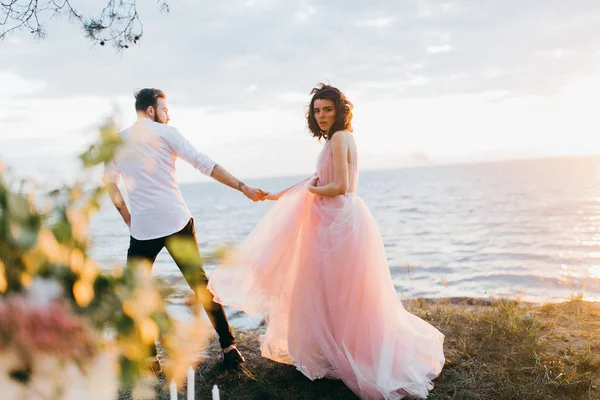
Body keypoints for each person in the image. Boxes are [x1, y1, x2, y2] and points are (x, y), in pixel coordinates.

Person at [208, 84, 445, 399]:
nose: (321, 116)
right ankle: (334, 350)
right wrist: (277, 196)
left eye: (327, 109)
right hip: (340, 220)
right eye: (317, 110)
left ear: (340, 111)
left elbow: (341, 186)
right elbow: (314, 180)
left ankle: (349, 353)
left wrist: (314, 192)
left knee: (339, 293)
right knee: (335, 292)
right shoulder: (341, 139)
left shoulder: (339, 138)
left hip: (337, 223)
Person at [103, 88, 266, 372]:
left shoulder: (118, 141)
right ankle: (230, 348)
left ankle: (151, 359)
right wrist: (243, 187)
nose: (168, 115)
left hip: (142, 229)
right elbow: (205, 164)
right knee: (200, 284)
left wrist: (129, 217)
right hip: (177, 221)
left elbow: (109, 182)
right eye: (164, 109)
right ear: (152, 111)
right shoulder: (167, 133)